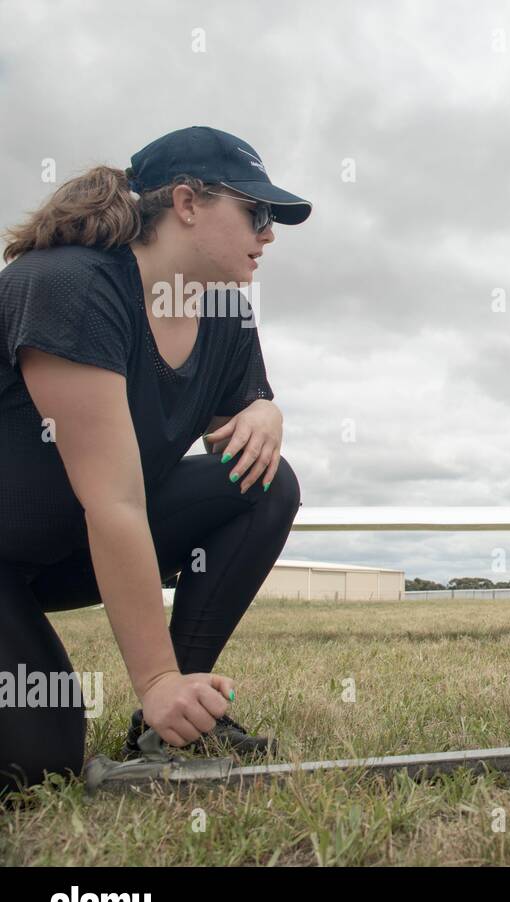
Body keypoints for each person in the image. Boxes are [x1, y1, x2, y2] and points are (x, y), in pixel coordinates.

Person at [0, 126, 311, 796]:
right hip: (27, 544)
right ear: (187, 203)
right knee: (35, 764)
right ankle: (164, 691)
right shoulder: (68, 286)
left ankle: (166, 723)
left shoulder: (225, 307)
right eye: (256, 212)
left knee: (264, 484)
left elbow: (232, 435)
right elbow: (113, 500)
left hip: (58, 550)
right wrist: (153, 673)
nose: (270, 233)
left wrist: (264, 411)